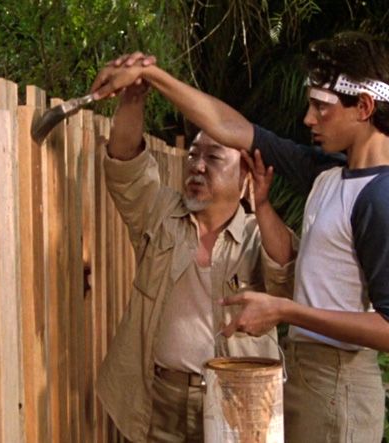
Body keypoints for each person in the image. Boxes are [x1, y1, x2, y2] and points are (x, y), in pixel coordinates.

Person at [91, 31, 389, 442]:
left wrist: (286, 311)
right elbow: (230, 127)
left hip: (339, 383)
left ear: (365, 107)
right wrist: (151, 75)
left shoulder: (381, 199)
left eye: (321, 106)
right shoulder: (329, 176)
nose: (309, 119)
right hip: (308, 376)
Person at [96, 77, 296, 442]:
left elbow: (285, 275)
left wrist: (263, 205)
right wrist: (134, 96)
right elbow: (124, 167)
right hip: (158, 399)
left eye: (214, 157)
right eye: (193, 155)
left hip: (236, 403)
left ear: (245, 175)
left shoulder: (258, 235)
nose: (198, 167)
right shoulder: (160, 213)